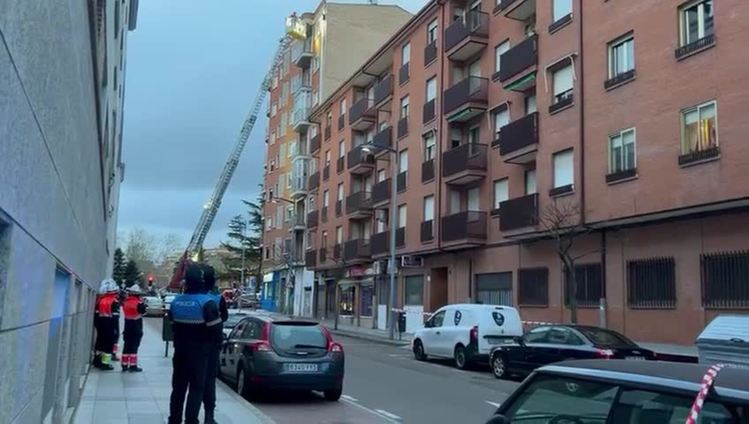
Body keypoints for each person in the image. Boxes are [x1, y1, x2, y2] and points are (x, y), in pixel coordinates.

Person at [168, 263, 222, 424]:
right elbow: (216, 332)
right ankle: (191, 420)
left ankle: (174, 419)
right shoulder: (207, 303)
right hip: (200, 354)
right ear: (202, 282)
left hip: (180, 353)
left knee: (178, 389)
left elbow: (172, 325)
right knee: (196, 388)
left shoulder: (176, 302)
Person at [201, 265, 228, 424]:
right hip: (212, 346)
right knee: (209, 382)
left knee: (192, 383)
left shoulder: (191, 297)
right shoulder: (218, 298)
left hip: (192, 347)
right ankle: (209, 417)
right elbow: (224, 317)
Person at [93, 279, 120, 370]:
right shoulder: (114, 301)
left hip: (100, 325)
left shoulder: (100, 301)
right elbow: (115, 317)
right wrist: (116, 330)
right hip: (110, 326)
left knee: (99, 343)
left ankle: (97, 361)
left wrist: (98, 326)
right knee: (108, 346)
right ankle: (105, 363)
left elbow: (96, 315)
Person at [122, 283, 147, 372]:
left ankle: (124, 365)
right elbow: (143, 312)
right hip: (136, 326)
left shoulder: (126, 302)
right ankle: (133, 366)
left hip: (127, 326)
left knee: (126, 345)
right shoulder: (139, 303)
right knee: (134, 346)